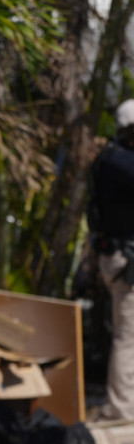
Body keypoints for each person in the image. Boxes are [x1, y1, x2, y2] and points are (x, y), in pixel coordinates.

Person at [88, 99, 134, 423]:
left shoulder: (115, 157)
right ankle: (120, 409)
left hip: (120, 256)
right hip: (125, 260)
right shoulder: (118, 162)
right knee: (128, 337)